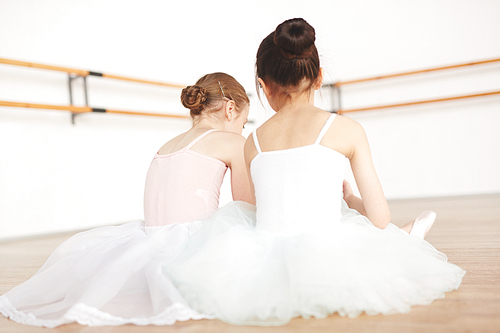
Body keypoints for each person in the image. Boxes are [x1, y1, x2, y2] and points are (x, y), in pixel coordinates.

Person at [163, 18, 466, 326]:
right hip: (330, 250)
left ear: (264, 86)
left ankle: (402, 237)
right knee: (361, 230)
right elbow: (378, 218)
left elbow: (258, 211)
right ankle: (405, 238)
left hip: (267, 257)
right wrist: (349, 200)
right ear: (319, 77)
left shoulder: (252, 142)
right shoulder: (347, 130)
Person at [0, 72, 252, 327]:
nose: (241, 130)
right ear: (230, 109)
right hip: (190, 245)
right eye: (243, 123)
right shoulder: (231, 141)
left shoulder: (167, 145)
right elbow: (245, 206)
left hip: (151, 240)